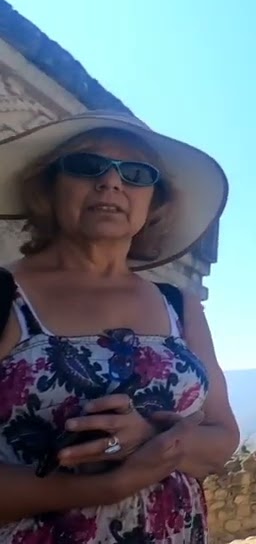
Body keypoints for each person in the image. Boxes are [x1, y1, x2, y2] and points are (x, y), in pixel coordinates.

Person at [0, 111, 236, 542]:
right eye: (87, 166)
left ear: (153, 202)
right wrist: (101, 486)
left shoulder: (178, 306)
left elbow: (222, 437)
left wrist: (150, 439)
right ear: (49, 187)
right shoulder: (6, 298)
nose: (111, 183)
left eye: (135, 173)